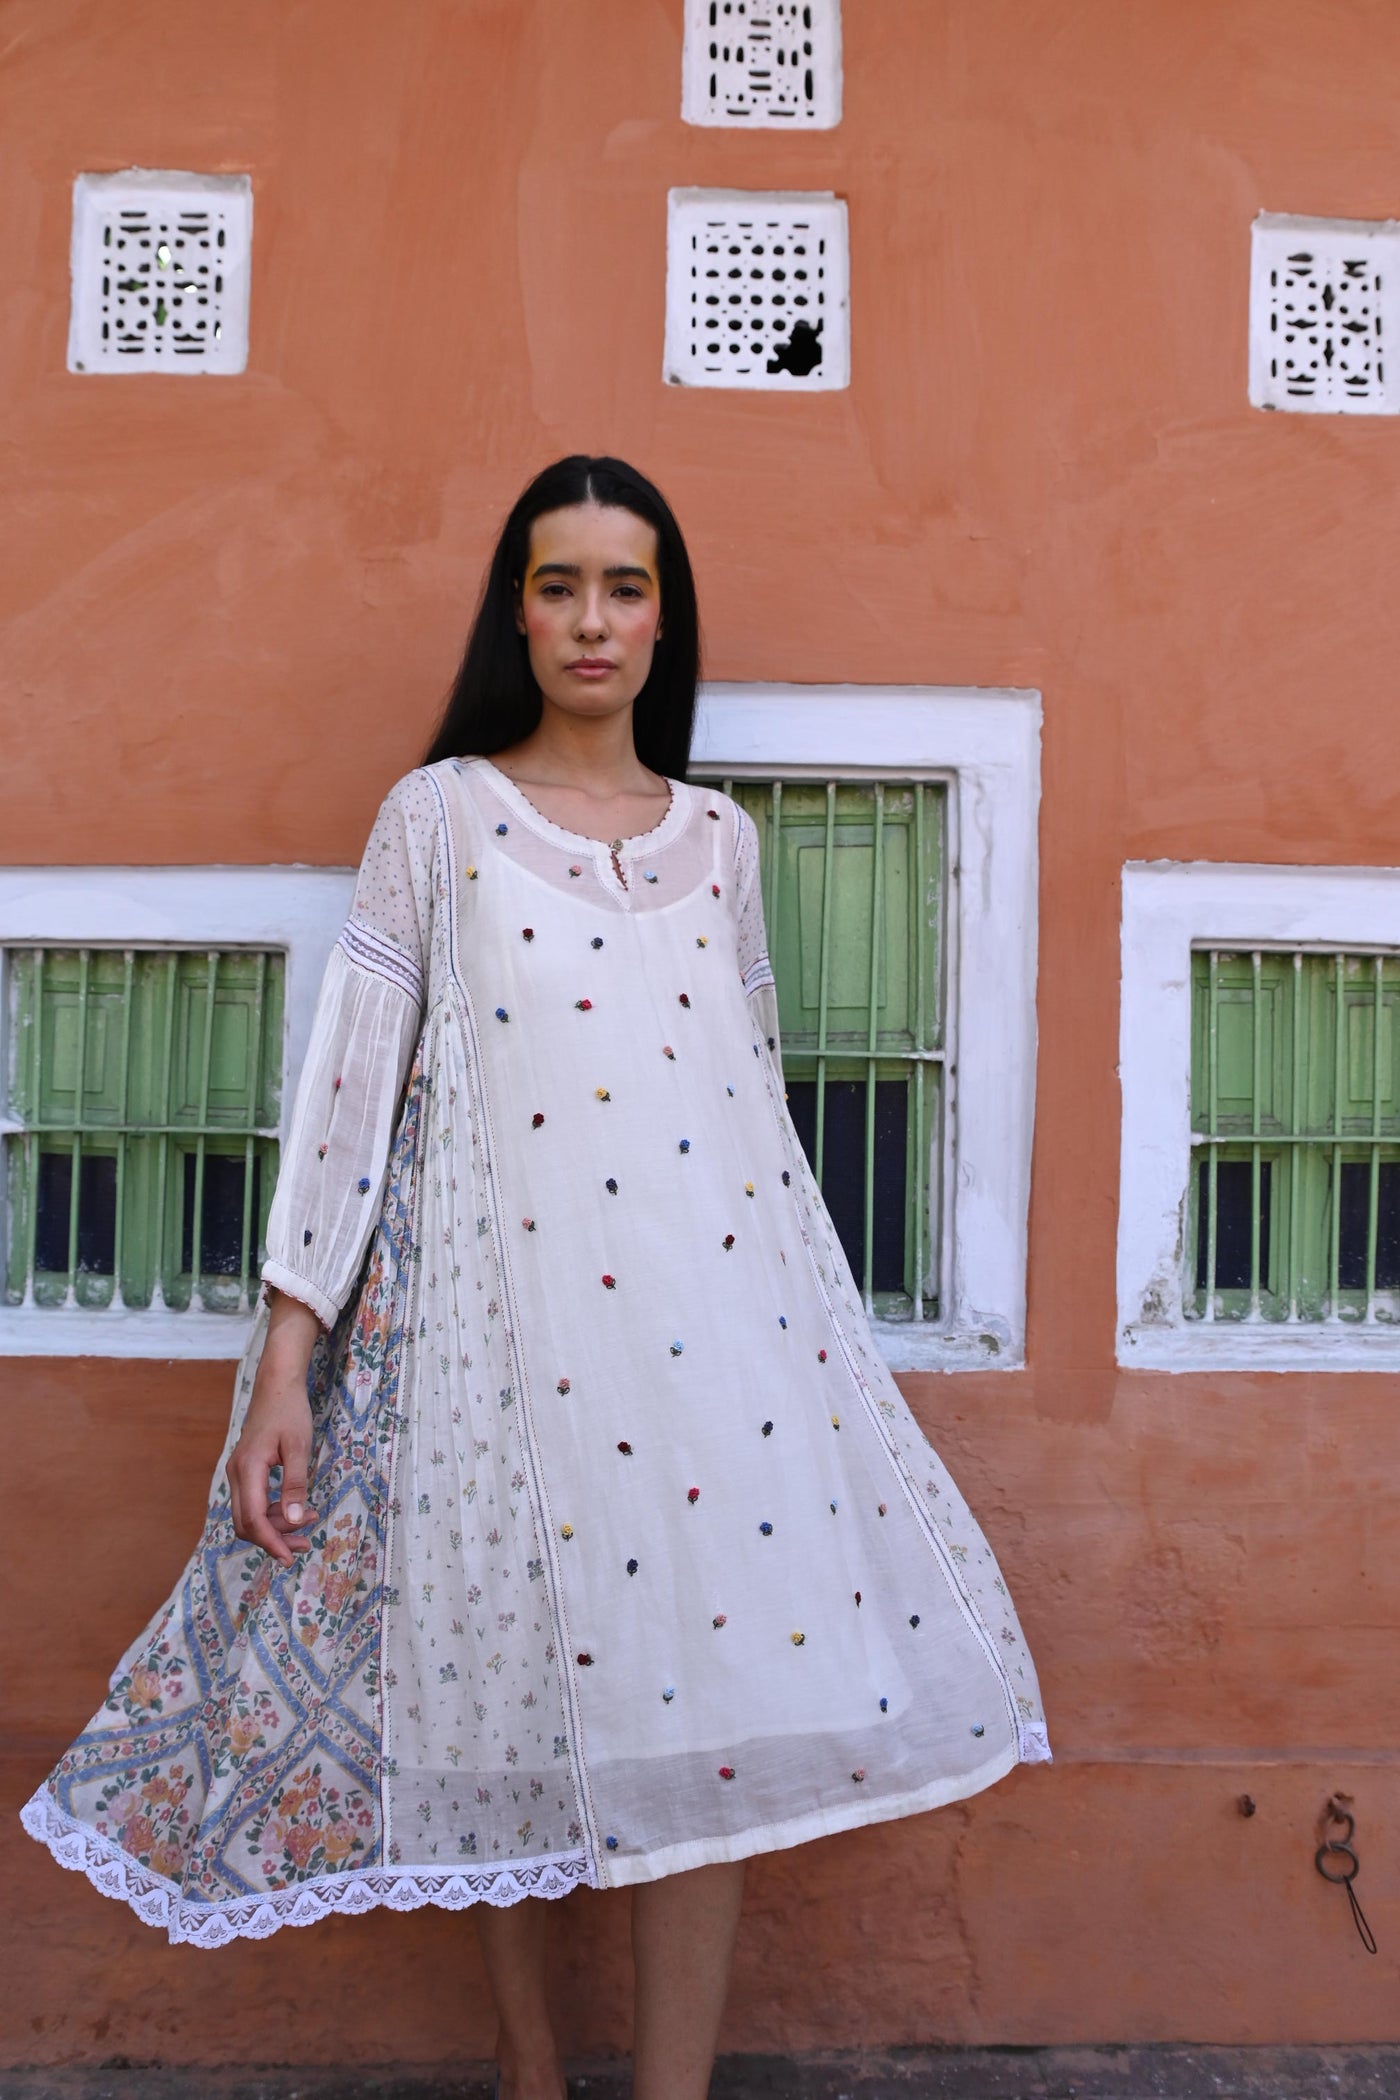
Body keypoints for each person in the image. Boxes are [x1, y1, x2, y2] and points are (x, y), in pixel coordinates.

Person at [21, 455, 1050, 2100]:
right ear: (518, 608)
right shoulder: (437, 819)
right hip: (491, 1338)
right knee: (479, 1684)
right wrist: (289, 1350)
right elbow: (352, 1090)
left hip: (709, 1352)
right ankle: (527, 2064)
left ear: (663, 619)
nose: (593, 619)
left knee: (712, 1711)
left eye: (625, 587)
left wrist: (811, 1356)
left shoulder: (721, 840)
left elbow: (754, 1103)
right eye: (561, 583)